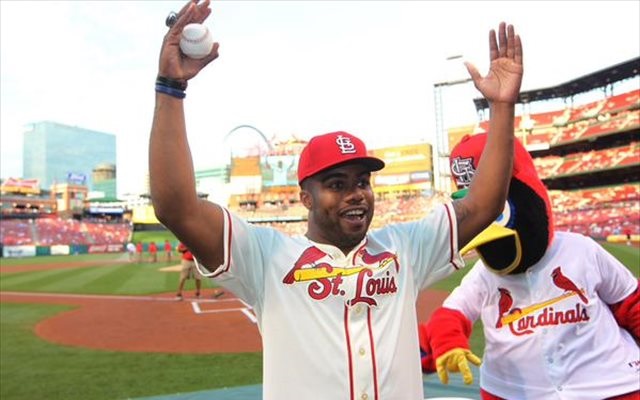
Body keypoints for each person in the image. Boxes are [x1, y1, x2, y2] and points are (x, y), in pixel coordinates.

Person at [149, 1, 522, 398]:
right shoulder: (266, 257)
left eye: (362, 181)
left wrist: (501, 107)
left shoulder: (405, 248)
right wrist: (171, 89)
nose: (356, 194)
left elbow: (483, 205)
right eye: (337, 184)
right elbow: (177, 207)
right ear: (305, 198)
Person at [419, 134, 640, 399]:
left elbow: (631, 303)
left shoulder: (581, 249)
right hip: (515, 390)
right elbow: (451, 316)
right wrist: (448, 344)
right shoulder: (484, 275)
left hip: (608, 384)